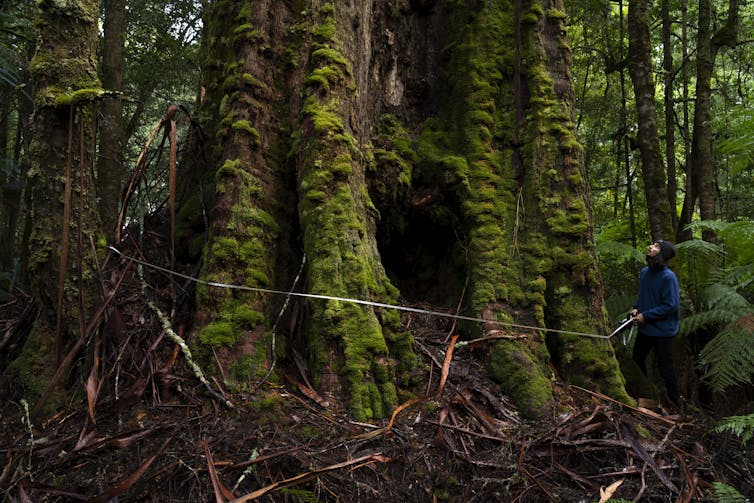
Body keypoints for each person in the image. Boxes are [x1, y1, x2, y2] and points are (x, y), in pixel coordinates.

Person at [631, 240, 681, 407]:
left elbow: (671, 306)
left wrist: (647, 316)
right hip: (646, 330)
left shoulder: (668, 277)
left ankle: (675, 404)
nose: (651, 247)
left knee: (665, 369)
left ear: (663, 254)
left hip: (663, 332)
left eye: (656, 246)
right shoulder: (645, 272)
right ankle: (645, 394)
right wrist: (636, 310)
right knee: (636, 360)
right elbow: (643, 298)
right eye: (652, 244)